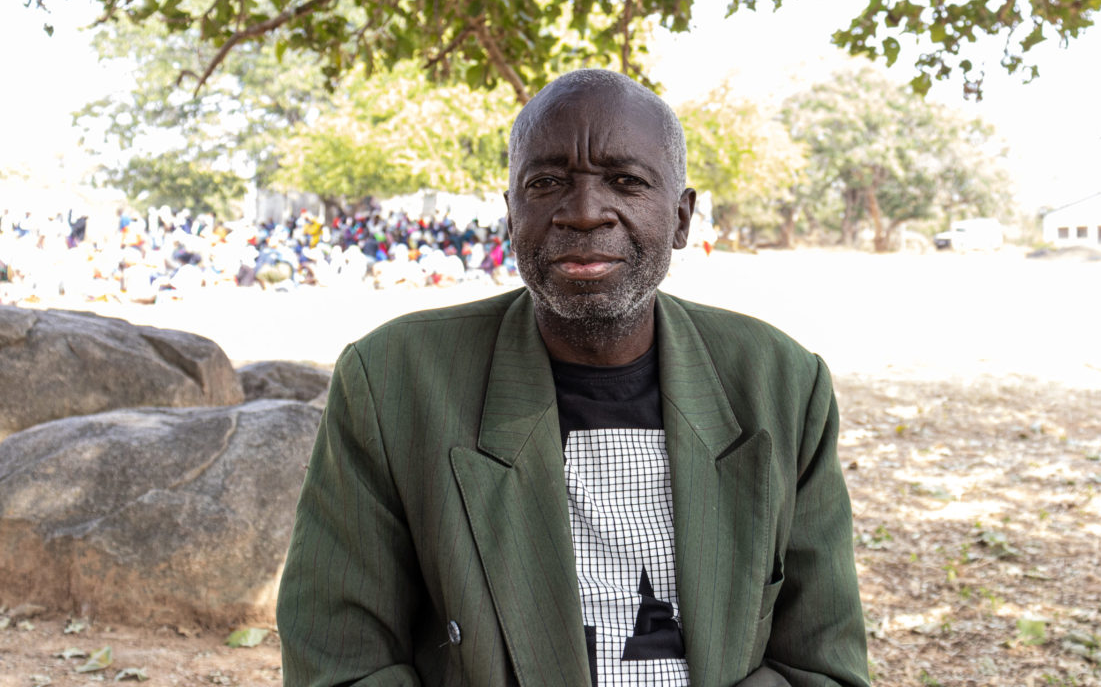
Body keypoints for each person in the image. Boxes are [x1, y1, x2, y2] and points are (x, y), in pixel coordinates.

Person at [276, 69, 870, 687]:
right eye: (548, 182)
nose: (584, 213)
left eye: (626, 181)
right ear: (512, 214)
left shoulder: (783, 386)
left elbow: (820, 665)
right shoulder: (392, 382)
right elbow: (340, 663)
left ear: (681, 218)